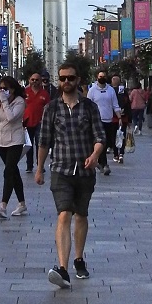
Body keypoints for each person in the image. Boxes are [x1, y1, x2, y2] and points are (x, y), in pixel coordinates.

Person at [36, 62, 105, 289]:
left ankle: (79, 258)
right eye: (63, 78)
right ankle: (63, 269)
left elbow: (99, 136)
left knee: (81, 215)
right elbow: (44, 140)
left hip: (85, 170)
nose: (66, 82)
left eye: (71, 78)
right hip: (61, 169)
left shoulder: (89, 107)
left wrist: (95, 154)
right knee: (64, 214)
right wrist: (39, 168)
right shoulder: (52, 109)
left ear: (78, 80)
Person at [0, 76, 28, 219]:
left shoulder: (19, 102)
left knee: (8, 171)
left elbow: (11, 118)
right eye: (0, 88)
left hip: (15, 140)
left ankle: (3, 205)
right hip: (1, 141)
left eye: (5, 88)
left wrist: (4, 101)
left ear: (13, 89)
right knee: (14, 172)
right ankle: (22, 203)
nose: (2, 91)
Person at [87, 70, 120, 173]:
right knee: (101, 142)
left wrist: (119, 118)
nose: (102, 78)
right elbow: (88, 105)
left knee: (108, 143)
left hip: (108, 120)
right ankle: (104, 164)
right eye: (100, 76)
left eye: (104, 76)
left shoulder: (111, 90)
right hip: (96, 121)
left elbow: (115, 105)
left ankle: (99, 161)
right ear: (97, 77)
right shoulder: (92, 90)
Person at [23, 73, 48, 174]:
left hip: (40, 123)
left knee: (39, 144)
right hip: (27, 122)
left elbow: (48, 108)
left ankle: (40, 165)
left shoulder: (44, 94)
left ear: (40, 81)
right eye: (32, 79)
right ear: (29, 80)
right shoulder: (25, 92)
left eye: (37, 80)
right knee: (29, 145)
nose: (34, 82)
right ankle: (29, 166)